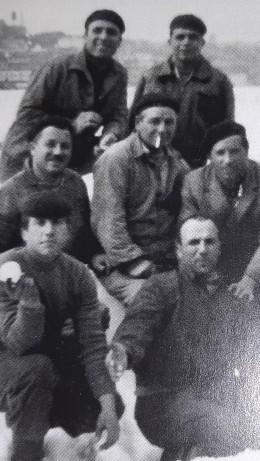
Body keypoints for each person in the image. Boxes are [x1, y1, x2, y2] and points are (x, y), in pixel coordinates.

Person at [0, 193, 122, 461]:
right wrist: (29, 298)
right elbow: (19, 343)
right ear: (24, 231)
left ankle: (31, 426)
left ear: (68, 230)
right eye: (40, 223)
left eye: (57, 222)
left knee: (99, 406)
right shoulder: (1, 270)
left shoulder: (78, 275)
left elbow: (91, 345)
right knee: (36, 370)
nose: (49, 231)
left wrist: (108, 405)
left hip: (40, 363)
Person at [106, 217, 260, 461]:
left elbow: (251, 356)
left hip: (213, 398)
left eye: (209, 242)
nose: (202, 249)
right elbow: (138, 326)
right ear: (179, 249)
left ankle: (182, 460)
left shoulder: (229, 297)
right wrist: (123, 351)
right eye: (194, 242)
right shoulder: (162, 286)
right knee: (224, 427)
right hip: (163, 404)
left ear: (219, 247)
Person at [180, 120, 260, 446]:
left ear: (247, 151)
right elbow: (188, 229)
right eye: (220, 152)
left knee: (259, 339)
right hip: (216, 264)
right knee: (214, 339)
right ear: (210, 157)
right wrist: (202, 272)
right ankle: (217, 419)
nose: (228, 160)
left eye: (235, 151)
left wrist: (251, 279)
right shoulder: (194, 182)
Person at [0, 119, 104, 317]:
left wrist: (94, 253)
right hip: (22, 286)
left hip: (64, 281)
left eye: (65, 146)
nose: (58, 152)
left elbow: (82, 232)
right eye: (50, 144)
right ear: (32, 148)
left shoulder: (75, 184)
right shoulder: (10, 193)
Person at [0, 9, 128, 182]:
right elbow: (26, 114)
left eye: (111, 32)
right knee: (31, 206)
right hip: (26, 155)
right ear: (85, 36)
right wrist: (72, 123)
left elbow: (118, 116)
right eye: (97, 30)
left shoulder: (119, 74)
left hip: (70, 155)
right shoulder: (57, 67)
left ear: (119, 41)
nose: (103, 37)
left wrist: (111, 135)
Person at [91, 94, 190, 307]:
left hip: (164, 258)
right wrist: (135, 262)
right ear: (137, 123)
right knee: (152, 300)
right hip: (123, 264)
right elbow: (108, 222)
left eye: (169, 122)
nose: (162, 129)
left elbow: (189, 210)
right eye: (154, 121)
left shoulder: (176, 163)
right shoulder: (116, 159)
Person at [132, 14, 234, 168]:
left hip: (197, 164)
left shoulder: (219, 81)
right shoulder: (151, 77)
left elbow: (226, 129)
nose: (186, 42)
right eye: (180, 37)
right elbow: (133, 122)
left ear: (202, 42)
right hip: (153, 161)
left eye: (193, 37)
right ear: (170, 41)